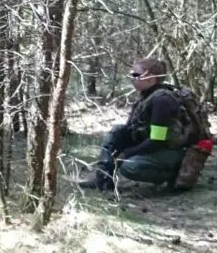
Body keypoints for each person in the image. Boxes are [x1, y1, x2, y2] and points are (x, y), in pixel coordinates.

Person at [78, 58, 195, 191]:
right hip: (154, 146)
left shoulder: (162, 101)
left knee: (130, 167)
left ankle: (175, 175)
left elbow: (157, 140)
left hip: (170, 151)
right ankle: (103, 179)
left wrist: (127, 154)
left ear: (150, 79)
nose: (132, 78)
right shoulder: (148, 96)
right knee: (117, 131)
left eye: (135, 75)